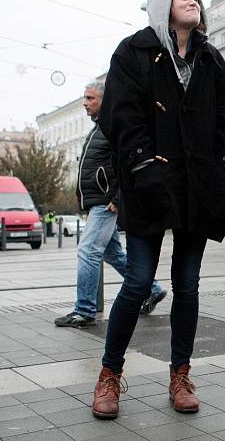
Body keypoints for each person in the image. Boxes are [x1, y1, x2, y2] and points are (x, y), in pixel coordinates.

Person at [94, 0, 225, 419]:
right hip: (148, 185)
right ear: (163, 5)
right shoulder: (134, 52)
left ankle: (180, 374)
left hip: (198, 185)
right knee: (139, 280)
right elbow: (119, 115)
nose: (194, 2)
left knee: (188, 284)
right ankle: (109, 375)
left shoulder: (210, 59)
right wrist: (142, 164)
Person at [53, 82, 166, 329]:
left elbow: (126, 163)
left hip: (105, 202)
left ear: (105, 100)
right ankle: (153, 289)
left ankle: (84, 311)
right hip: (100, 199)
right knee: (112, 253)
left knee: (88, 251)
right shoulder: (100, 127)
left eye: (90, 98)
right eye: (84, 97)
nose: (85, 102)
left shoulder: (114, 126)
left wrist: (117, 198)